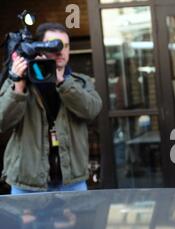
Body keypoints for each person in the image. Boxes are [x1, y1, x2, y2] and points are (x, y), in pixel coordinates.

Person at [0, 22, 102, 194]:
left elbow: (91, 110)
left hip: (72, 182)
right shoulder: (19, 82)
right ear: (40, 48)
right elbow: (2, 122)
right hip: (26, 183)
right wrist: (18, 87)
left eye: (66, 46)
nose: (61, 50)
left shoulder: (81, 82)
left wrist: (63, 82)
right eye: (54, 45)